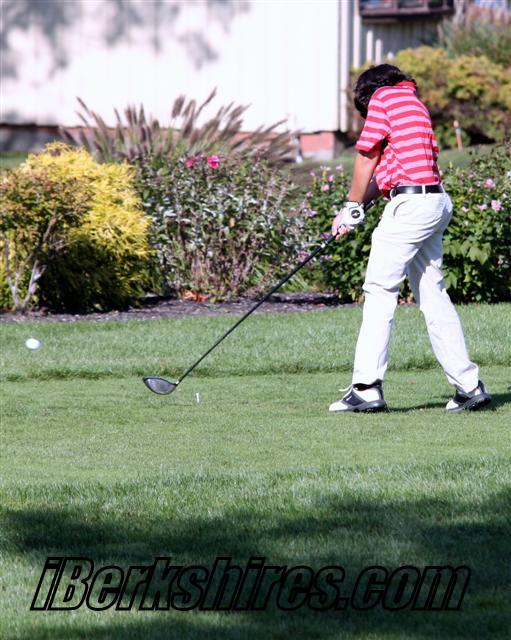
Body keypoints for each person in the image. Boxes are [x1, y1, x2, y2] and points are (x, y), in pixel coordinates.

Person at [328, 64, 491, 413]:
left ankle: (366, 387)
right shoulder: (413, 102)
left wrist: (352, 206)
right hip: (434, 202)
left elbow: (367, 156)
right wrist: (353, 209)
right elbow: (389, 173)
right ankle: (468, 386)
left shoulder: (382, 98)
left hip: (412, 206)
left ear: (369, 94)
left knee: (379, 289)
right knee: (433, 294)